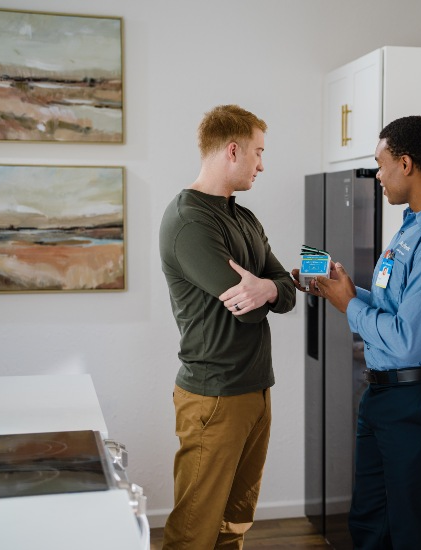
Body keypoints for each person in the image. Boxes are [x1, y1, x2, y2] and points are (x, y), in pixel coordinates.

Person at [292, 115, 421, 549]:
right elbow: (396, 307)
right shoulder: (414, 226)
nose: (378, 175)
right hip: (385, 396)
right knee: (370, 529)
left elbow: (407, 340)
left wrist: (349, 305)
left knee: (415, 536)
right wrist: (345, 289)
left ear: (407, 163)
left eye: (381, 164)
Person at [158, 104, 296, 549]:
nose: (262, 163)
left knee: (234, 523)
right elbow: (249, 307)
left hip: (255, 388)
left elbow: (286, 292)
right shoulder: (189, 221)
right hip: (214, 395)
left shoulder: (245, 218)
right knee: (194, 529)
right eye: (258, 151)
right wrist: (266, 291)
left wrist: (270, 288)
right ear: (232, 150)